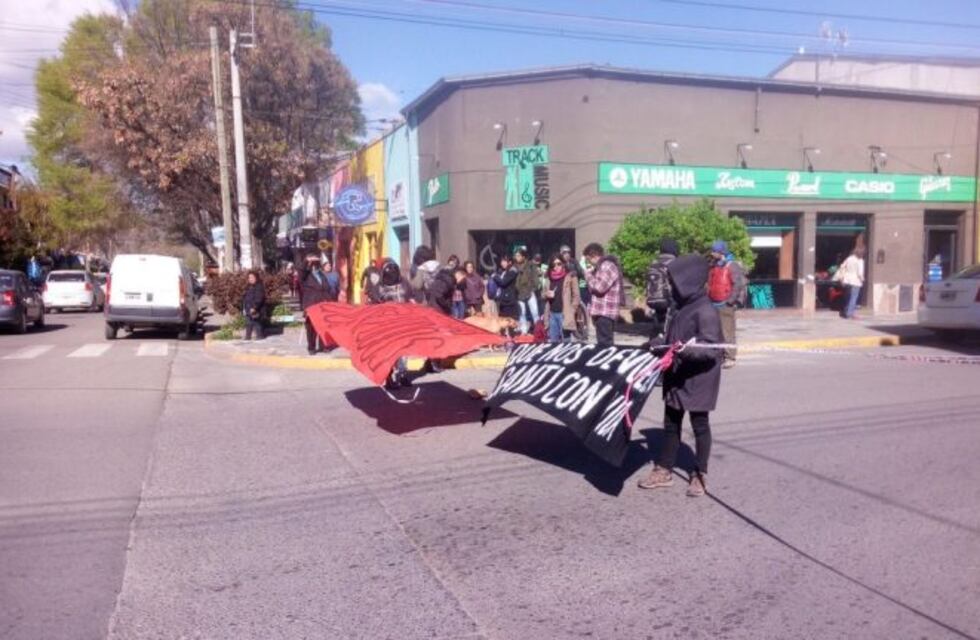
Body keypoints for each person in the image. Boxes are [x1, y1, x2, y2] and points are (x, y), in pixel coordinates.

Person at [638, 254, 723, 498]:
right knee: (671, 424)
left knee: (700, 425)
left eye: (674, 281)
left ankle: (699, 473)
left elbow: (710, 349)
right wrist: (655, 345)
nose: (671, 287)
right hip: (677, 376)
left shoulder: (705, 311)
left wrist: (683, 350)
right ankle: (664, 469)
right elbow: (670, 339)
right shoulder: (681, 308)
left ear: (688, 281)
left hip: (698, 380)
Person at [368, 259, 414, 388]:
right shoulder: (379, 287)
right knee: (389, 353)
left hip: (403, 323)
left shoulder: (404, 283)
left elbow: (410, 298)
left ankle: (403, 375)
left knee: (403, 352)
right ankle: (388, 378)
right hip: (387, 325)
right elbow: (374, 306)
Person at [707, 240, 747, 369]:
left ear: (721, 252)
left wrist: (730, 301)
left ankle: (730, 357)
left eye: (714, 251)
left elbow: (738, 284)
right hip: (713, 303)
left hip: (725, 304)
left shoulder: (732, 265)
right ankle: (719, 356)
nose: (712, 253)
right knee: (716, 332)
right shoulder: (715, 265)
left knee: (727, 332)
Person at [584, 242, 624, 347]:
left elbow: (599, 288)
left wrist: (587, 275)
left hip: (605, 313)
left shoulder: (607, 266)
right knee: (603, 344)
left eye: (588, 260)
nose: (589, 263)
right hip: (601, 312)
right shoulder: (601, 267)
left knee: (605, 346)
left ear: (593, 255)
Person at [301, 254, 341, 355]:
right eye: (313, 264)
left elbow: (327, 289)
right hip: (311, 305)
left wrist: (330, 303)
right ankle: (311, 347)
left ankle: (324, 346)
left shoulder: (322, 275)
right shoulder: (306, 276)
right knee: (311, 328)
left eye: (316, 264)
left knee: (323, 326)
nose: (315, 266)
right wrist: (307, 259)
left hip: (321, 305)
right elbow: (302, 270)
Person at [646, 238, 678, 343]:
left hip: (653, 300)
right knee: (669, 326)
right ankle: (666, 345)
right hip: (668, 300)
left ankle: (653, 343)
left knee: (657, 325)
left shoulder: (653, 263)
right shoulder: (674, 263)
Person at [543, 254, 580, 343]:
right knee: (553, 342)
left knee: (566, 343)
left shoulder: (570, 276)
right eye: (553, 265)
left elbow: (576, 295)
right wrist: (546, 294)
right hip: (552, 314)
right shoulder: (549, 277)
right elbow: (543, 294)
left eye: (558, 264)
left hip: (564, 314)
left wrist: (572, 310)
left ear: (563, 263)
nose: (556, 267)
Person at [513, 248, 541, 334]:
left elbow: (535, 279)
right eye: (516, 256)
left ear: (523, 256)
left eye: (518, 255)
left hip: (529, 292)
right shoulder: (515, 267)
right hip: (519, 293)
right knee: (522, 314)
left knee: (535, 313)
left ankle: (538, 331)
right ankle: (524, 331)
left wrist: (533, 289)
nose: (516, 257)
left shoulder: (531, 265)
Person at [835, 246, 866, 320]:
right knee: (854, 297)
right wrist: (863, 280)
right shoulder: (860, 260)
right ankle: (850, 313)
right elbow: (860, 273)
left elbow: (842, 266)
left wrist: (842, 277)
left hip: (847, 280)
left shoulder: (849, 258)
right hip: (856, 281)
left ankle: (846, 311)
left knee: (848, 297)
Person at [492, 255, 520, 328]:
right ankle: (505, 334)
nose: (502, 263)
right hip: (503, 298)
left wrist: (495, 276)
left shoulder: (512, 271)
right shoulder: (503, 271)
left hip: (509, 299)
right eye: (502, 261)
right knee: (502, 318)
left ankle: (511, 334)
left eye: (504, 261)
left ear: (510, 262)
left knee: (509, 319)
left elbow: (503, 282)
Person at [242, 270, 266, 341]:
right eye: (249, 278)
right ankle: (247, 337)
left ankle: (260, 336)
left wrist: (254, 307)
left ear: (256, 278)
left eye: (252, 277)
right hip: (248, 308)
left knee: (256, 323)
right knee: (248, 323)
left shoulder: (259, 286)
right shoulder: (249, 287)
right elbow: (246, 298)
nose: (250, 279)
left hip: (256, 309)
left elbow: (259, 298)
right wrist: (244, 308)